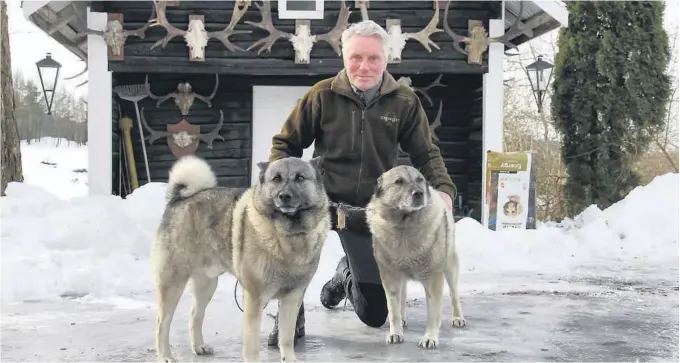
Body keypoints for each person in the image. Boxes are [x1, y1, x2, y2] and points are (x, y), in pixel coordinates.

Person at [265, 19, 457, 346]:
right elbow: (285, 143)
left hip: (369, 212)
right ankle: (291, 317)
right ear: (343, 56)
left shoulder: (404, 102)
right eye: (356, 57)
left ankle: (346, 274)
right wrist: (280, 185)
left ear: (386, 59)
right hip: (320, 203)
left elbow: (426, 153)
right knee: (286, 247)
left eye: (373, 58)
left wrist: (443, 189)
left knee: (375, 314)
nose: (363, 66)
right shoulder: (321, 96)